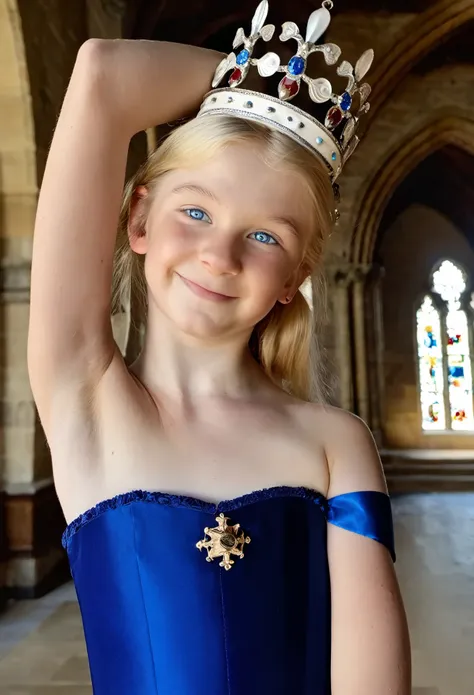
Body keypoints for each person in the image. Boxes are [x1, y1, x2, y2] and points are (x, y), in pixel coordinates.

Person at [27, 1, 411, 693]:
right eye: (196, 211)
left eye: (266, 236)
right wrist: (259, 91)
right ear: (140, 217)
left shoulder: (334, 443)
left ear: (295, 277)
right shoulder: (87, 395)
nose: (220, 255)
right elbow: (102, 77)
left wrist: (275, 116)